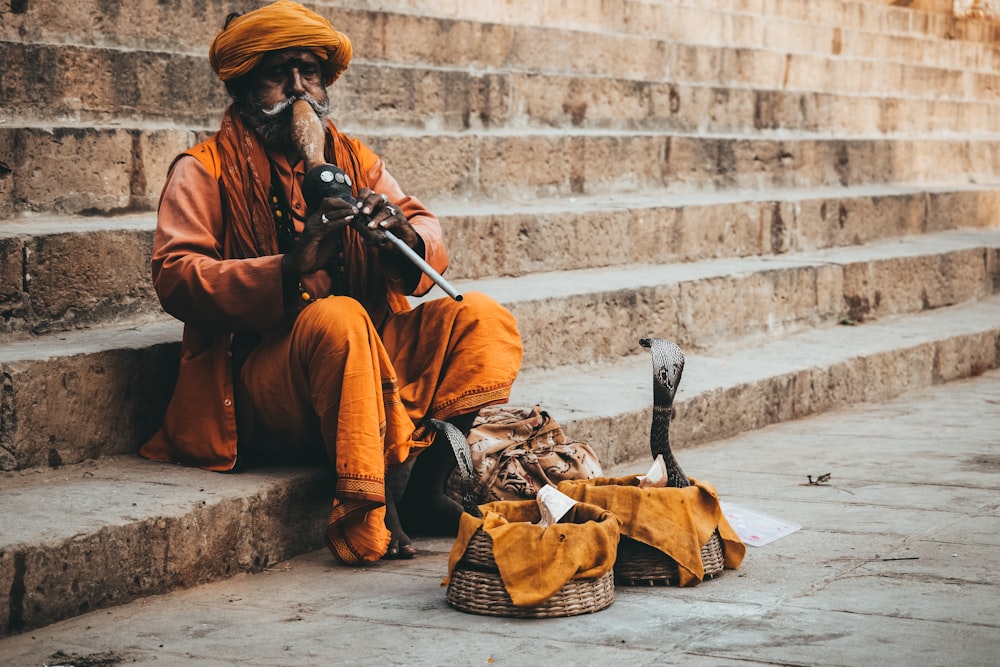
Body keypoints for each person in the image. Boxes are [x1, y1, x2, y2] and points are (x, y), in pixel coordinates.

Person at [139, 0, 523, 564]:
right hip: (263, 386)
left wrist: (401, 238)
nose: (299, 90)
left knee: (482, 317)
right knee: (338, 317)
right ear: (244, 85)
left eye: (309, 73)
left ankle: (425, 489)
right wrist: (290, 267)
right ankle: (370, 507)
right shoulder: (203, 168)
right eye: (278, 74)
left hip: (364, 360)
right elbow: (176, 277)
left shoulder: (352, 159)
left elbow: (425, 229)